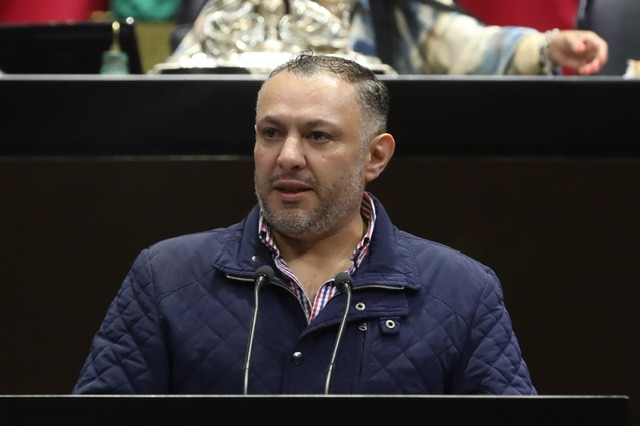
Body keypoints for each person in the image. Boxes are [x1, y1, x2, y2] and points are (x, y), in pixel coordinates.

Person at [73, 52, 537, 395]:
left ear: (375, 156)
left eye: (318, 136)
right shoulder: (165, 277)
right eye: (271, 133)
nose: (288, 156)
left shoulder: (462, 291)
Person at [165, 0, 607, 76]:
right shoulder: (235, 8)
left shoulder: (389, 9)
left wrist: (545, 47)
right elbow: (178, 83)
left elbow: (467, 46)